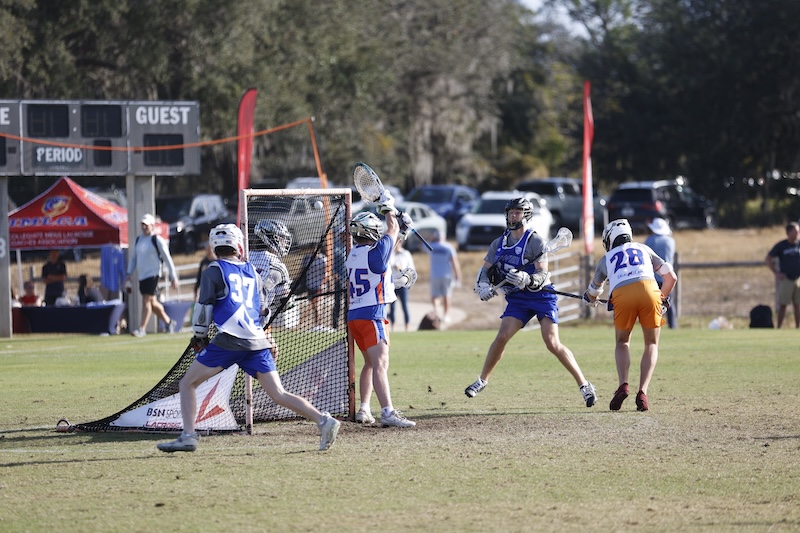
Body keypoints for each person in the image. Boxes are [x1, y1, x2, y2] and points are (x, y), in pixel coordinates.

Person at [157, 223, 340, 453]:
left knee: (187, 383)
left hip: (229, 339)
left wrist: (200, 336)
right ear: (238, 245)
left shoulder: (214, 270)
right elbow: (260, 308)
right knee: (279, 394)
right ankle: (323, 421)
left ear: (214, 245)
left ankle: (188, 436)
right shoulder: (252, 270)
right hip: (256, 340)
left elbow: (203, 309)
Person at [466, 197, 597, 408]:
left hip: (541, 296)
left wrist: (528, 279)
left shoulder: (535, 241)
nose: (513, 216)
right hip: (518, 299)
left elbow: (542, 273)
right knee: (502, 337)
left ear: (526, 215)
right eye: (510, 212)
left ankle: (585, 385)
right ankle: (482, 380)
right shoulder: (498, 244)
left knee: (552, 342)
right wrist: (482, 285)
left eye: (517, 212)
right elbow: (486, 269)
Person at [582, 219, 677, 412]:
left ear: (609, 240)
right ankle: (643, 392)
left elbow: (593, 292)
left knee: (622, 342)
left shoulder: (606, 259)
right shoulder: (643, 248)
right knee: (651, 344)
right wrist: (661, 299)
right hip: (650, 290)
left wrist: (589, 298)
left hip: (622, 295)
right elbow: (671, 277)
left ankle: (623, 385)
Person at [348, 192, 418, 428]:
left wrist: (401, 233)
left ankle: (364, 408)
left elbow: (382, 259)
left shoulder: (353, 254)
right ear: (370, 232)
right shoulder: (375, 252)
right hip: (373, 315)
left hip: (355, 316)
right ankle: (387, 412)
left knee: (370, 363)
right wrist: (388, 206)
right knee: (380, 364)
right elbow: (391, 228)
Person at [125, 213, 179, 337]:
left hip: (153, 275)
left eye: (147, 225)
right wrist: (129, 274)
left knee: (146, 301)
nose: (144, 227)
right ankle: (169, 322)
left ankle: (142, 329)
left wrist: (173, 277)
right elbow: (133, 259)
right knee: (153, 303)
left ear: (152, 226)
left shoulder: (157, 240)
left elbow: (167, 259)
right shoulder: (138, 240)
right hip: (142, 276)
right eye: (143, 225)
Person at [765, 221, 800, 328]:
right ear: (788, 233)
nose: (797, 234)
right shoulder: (782, 245)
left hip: (798, 278)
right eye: (795, 232)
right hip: (786, 279)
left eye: (798, 232)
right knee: (783, 305)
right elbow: (768, 258)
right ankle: (779, 327)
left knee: (798, 305)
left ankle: (797, 327)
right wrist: (776, 272)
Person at [644, 217, 677, 329]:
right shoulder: (670, 241)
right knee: (668, 303)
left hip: (652, 278)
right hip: (667, 277)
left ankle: (653, 326)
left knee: (652, 304)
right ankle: (673, 326)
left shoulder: (649, 240)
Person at [427, 229, 462, 324]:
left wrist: (430, 239)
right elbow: (454, 262)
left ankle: (436, 311)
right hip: (447, 275)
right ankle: (445, 315)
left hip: (435, 275)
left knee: (435, 295)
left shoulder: (432, 246)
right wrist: (458, 276)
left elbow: (421, 246)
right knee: (446, 295)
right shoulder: (449, 247)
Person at [388, 237, 415, 331]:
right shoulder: (390, 253)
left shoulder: (405, 253)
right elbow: (388, 264)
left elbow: (411, 268)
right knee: (392, 306)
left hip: (403, 283)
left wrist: (402, 268)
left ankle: (407, 325)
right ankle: (393, 325)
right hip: (393, 283)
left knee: (404, 305)